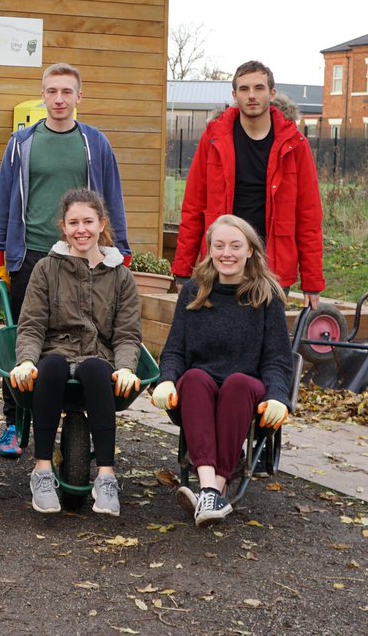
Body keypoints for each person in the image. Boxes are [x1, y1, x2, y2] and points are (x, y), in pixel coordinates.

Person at [0, 62, 131, 459]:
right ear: (43, 95)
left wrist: (122, 249)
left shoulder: (95, 143)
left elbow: (112, 199)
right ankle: (15, 422)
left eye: (67, 92)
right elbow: (3, 201)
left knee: (83, 333)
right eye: (52, 91)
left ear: (79, 97)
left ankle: (79, 412)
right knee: (24, 338)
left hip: (85, 254)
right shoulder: (22, 143)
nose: (59, 99)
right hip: (31, 254)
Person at [153, 214, 293, 527]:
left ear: (250, 252)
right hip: (197, 392)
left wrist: (278, 396)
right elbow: (175, 349)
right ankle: (211, 491)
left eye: (235, 245)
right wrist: (166, 380)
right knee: (195, 377)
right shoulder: (194, 291)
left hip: (246, 392)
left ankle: (209, 491)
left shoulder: (266, 296)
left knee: (237, 384)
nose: (226, 253)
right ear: (210, 250)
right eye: (219, 245)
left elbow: (278, 360)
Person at [9, 189, 142, 516]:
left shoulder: (120, 275)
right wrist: (26, 360)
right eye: (73, 223)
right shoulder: (46, 269)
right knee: (50, 368)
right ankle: (41, 470)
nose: (81, 229)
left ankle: (106, 477)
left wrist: (125, 367)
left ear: (101, 224)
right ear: (63, 227)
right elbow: (31, 325)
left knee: (98, 372)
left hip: (97, 354)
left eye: (88, 221)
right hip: (55, 351)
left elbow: (126, 333)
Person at [172, 60, 324, 308]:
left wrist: (312, 281)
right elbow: (193, 206)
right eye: (244, 89)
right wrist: (182, 268)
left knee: (266, 342)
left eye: (259, 88)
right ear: (234, 95)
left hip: (272, 264)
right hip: (222, 260)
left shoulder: (294, 144)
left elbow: (309, 217)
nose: (251, 96)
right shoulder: (214, 139)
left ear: (272, 93)